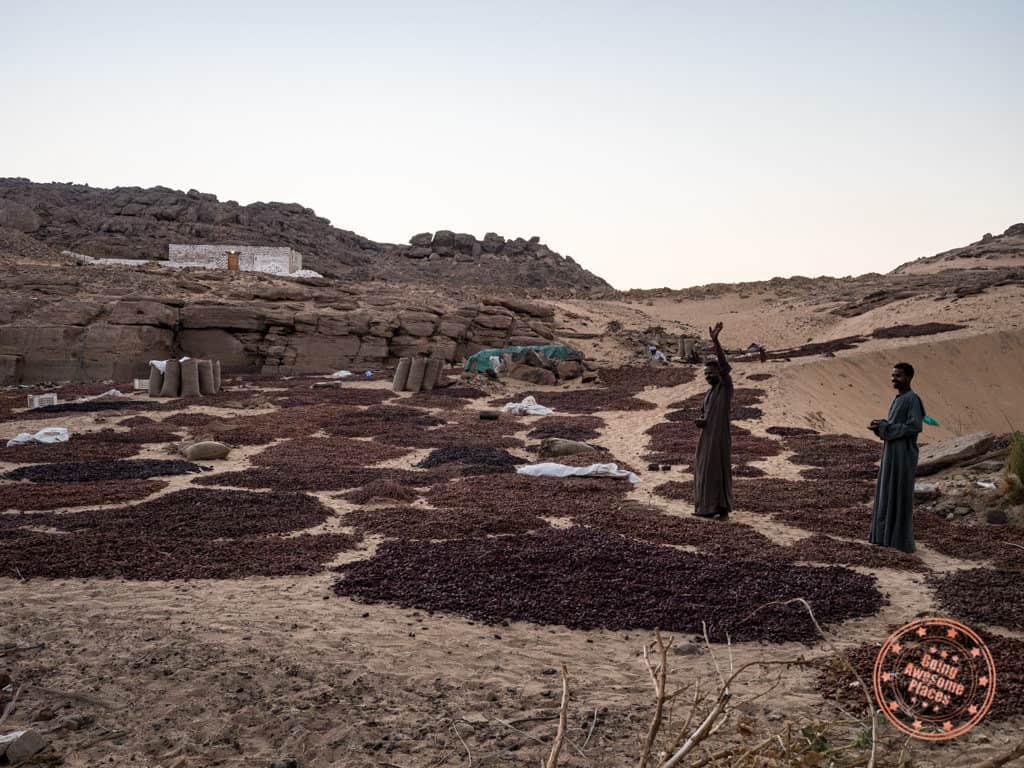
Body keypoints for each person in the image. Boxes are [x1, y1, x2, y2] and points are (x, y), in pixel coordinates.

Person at [868, 362, 925, 553]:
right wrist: (881, 425)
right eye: (893, 375)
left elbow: (914, 427)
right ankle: (884, 537)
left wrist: (886, 428)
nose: (894, 379)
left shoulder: (913, 399)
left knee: (899, 493)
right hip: (891, 452)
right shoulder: (899, 398)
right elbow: (895, 424)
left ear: (908, 377)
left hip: (903, 455)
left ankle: (900, 541)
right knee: (886, 491)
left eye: (898, 376)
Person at [693, 321, 733, 518]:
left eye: (711, 373)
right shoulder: (708, 394)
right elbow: (704, 414)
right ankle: (706, 509)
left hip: (719, 438)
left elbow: (726, 367)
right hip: (706, 437)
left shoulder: (725, 388)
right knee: (703, 470)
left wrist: (716, 342)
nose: (708, 376)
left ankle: (722, 509)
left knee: (718, 471)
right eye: (706, 374)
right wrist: (701, 420)